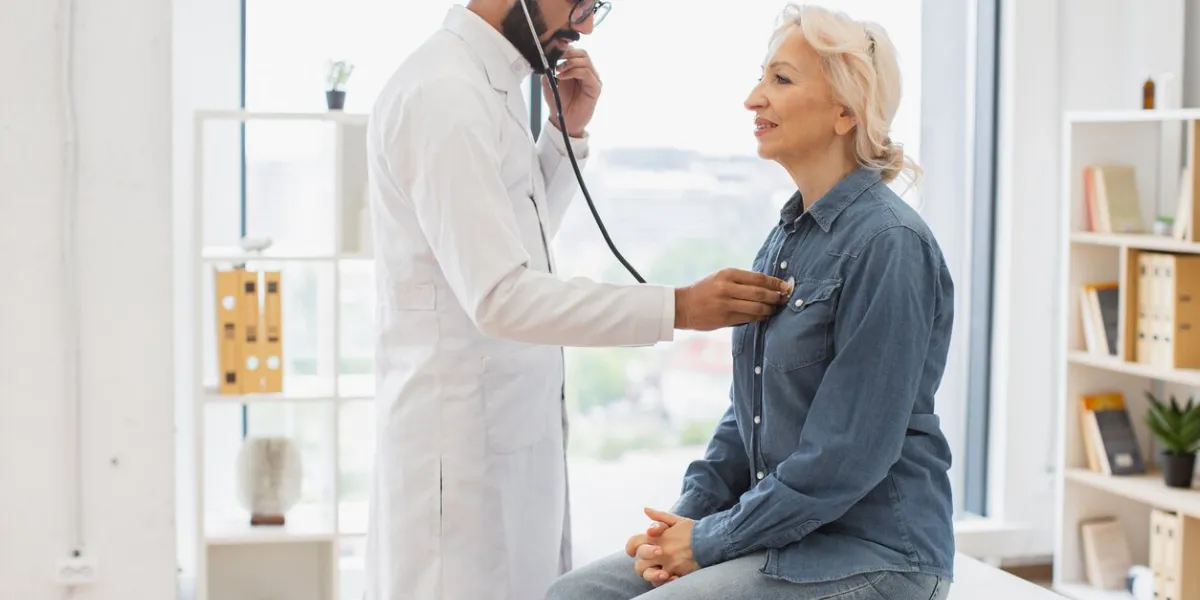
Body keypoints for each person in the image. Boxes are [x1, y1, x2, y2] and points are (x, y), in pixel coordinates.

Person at [362, 1, 793, 599]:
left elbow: (518, 241)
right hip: (459, 459)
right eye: (580, 3)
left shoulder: (489, 87)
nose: (585, 25)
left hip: (505, 435)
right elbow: (500, 295)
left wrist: (566, 135)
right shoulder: (445, 95)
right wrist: (679, 308)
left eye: (596, 8)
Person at [545, 4, 956, 600]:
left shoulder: (889, 245)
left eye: (781, 80)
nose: (753, 99)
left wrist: (709, 542)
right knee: (571, 596)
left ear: (847, 110)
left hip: (877, 553)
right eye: (762, 77)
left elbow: (846, 454)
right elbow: (747, 413)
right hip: (783, 538)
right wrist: (679, 528)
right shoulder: (786, 239)